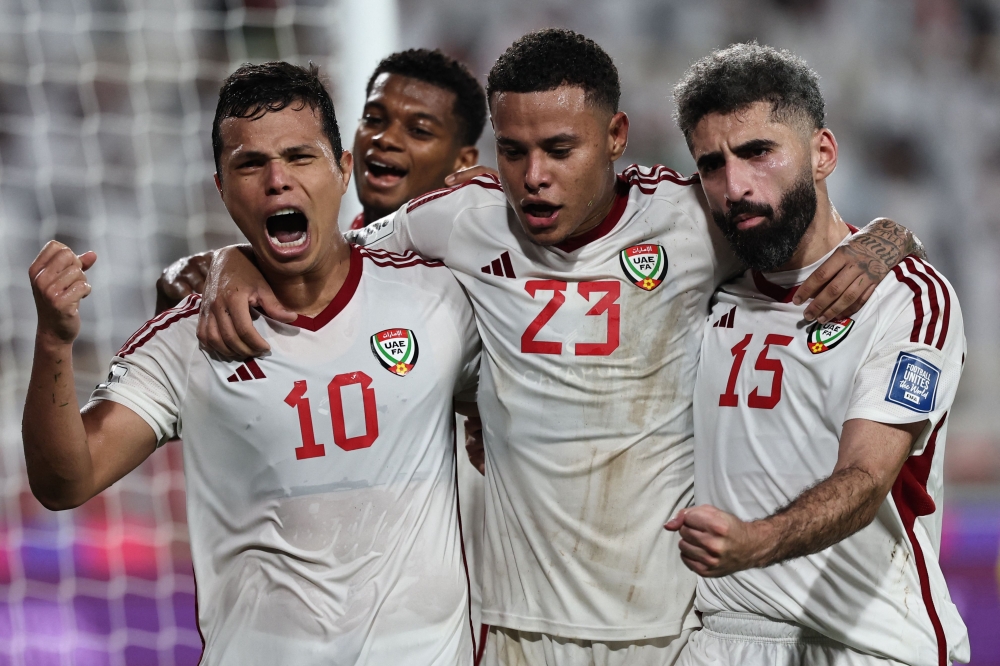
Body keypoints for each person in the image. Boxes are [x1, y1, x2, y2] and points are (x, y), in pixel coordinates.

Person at [196, 30, 923, 666]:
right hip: (510, 624)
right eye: (513, 152)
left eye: (558, 149)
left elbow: (798, 226)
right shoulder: (457, 220)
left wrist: (891, 237)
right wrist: (223, 263)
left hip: (669, 625)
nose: (533, 176)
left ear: (615, 137)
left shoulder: (688, 219)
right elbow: (326, 259)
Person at [23, 62, 483, 665]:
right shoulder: (187, 337)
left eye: (300, 157)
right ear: (220, 186)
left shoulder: (439, 300)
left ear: (342, 170)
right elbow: (64, 482)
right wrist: (54, 343)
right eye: (250, 164)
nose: (277, 181)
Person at [666, 44, 969, 666]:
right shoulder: (700, 284)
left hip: (867, 644)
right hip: (716, 636)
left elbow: (865, 480)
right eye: (711, 165)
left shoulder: (905, 297)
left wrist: (757, 541)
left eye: (758, 152)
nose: (736, 186)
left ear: (823, 153)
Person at [154, 48, 486, 313]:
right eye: (373, 119)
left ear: (464, 161)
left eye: (418, 130)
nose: (385, 139)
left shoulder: (488, 258)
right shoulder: (312, 260)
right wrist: (223, 264)